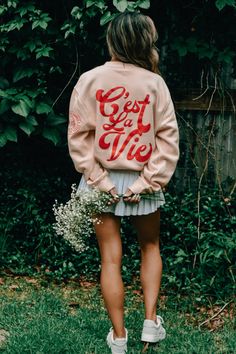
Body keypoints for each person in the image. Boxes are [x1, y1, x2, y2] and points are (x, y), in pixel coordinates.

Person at [68, 11, 179, 354]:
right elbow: (168, 139)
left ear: (112, 40)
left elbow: (78, 136)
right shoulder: (154, 83)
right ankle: (150, 322)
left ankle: (118, 338)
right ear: (146, 41)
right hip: (143, 179)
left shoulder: (89, 79)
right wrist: (145, 182)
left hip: (100, 179)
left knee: (110, 258)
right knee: (150, 246)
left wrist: (100, 180)